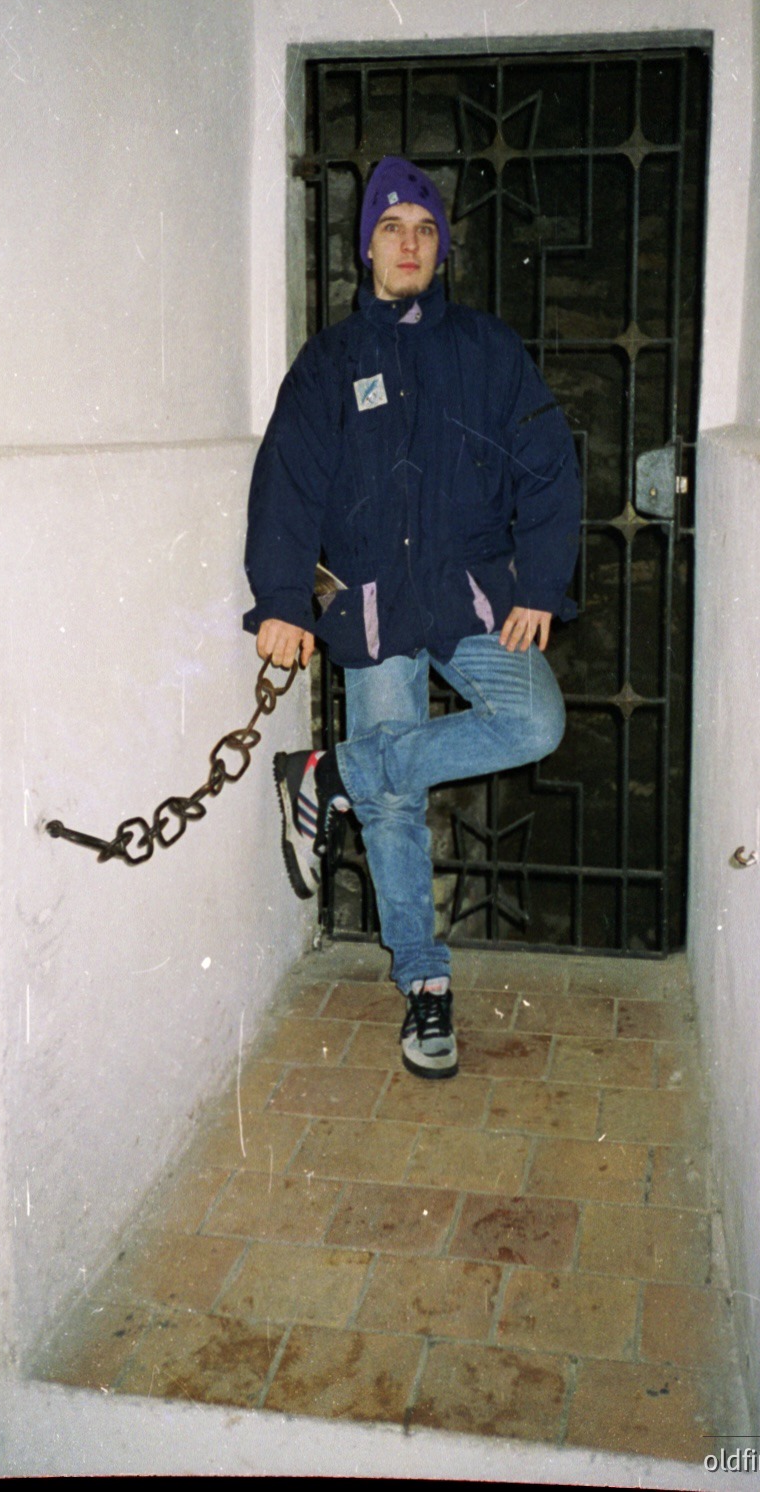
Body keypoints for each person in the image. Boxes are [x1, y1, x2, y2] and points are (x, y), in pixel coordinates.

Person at [243, 156, 581, 1080]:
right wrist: (283, 603)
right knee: (395, 803)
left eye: (425, 230)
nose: (410, 244)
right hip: (374, 604)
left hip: (472, 597)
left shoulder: (488, 351)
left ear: (441, 250)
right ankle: (426, 985)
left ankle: (328, 772)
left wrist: (540, 586)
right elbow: (287, 488)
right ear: (368, 248)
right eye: (393, 228)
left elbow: (549, 465)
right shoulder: (331, 363)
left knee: (535, 720)